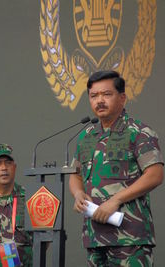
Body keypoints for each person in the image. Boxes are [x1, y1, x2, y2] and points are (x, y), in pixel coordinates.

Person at [69, 70, 164, 267]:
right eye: (94, 96)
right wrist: (78, 194)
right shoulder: (85, 136)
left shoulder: (138, 132)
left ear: (122, 98)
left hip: (130, 238)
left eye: (106, 94)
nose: (99, 101)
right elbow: (75, 175)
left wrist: (116, 200)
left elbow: (155, 175)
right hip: (95, 237)